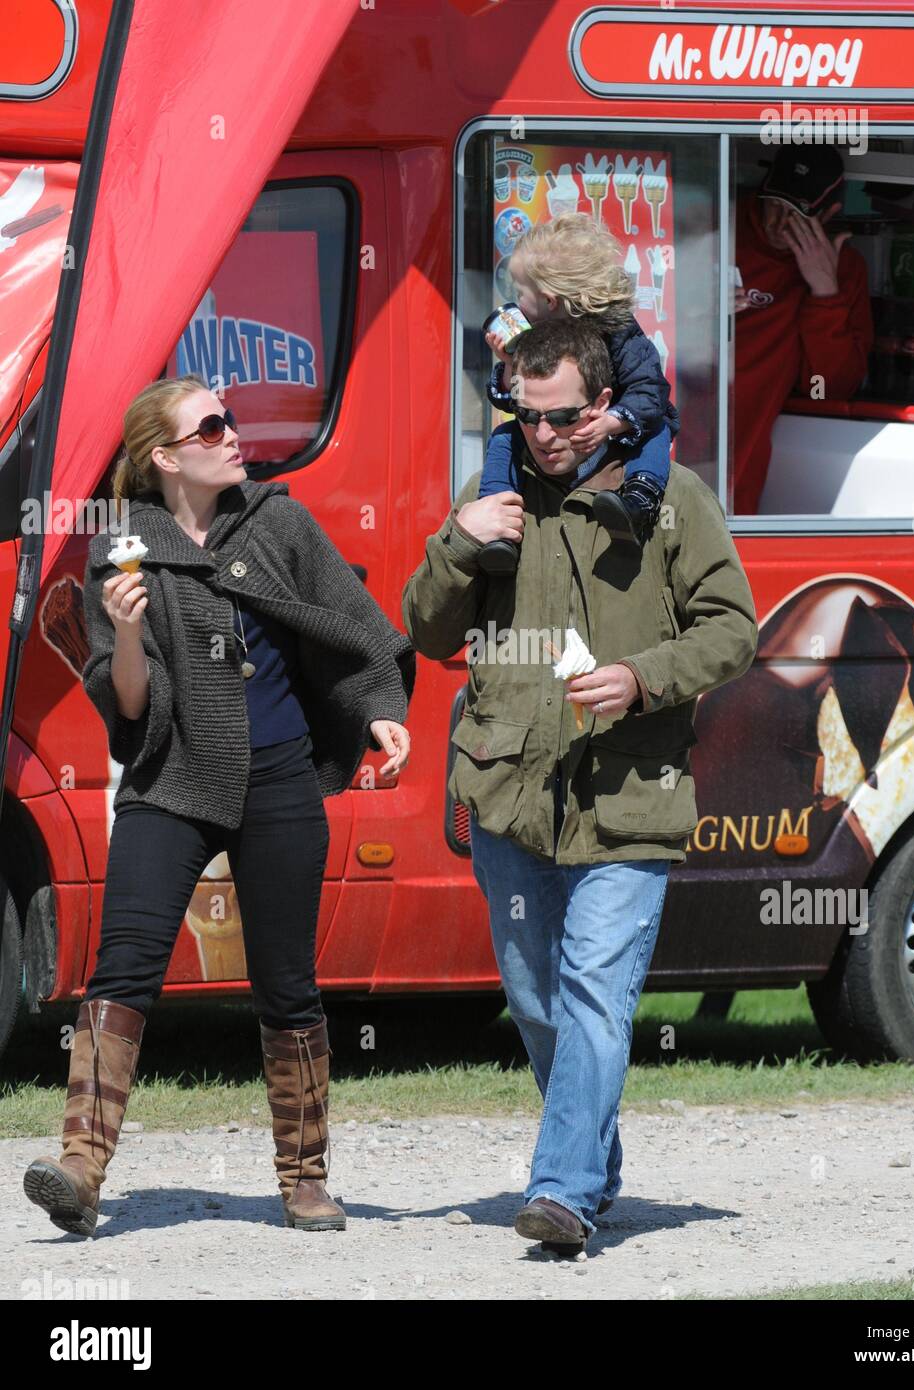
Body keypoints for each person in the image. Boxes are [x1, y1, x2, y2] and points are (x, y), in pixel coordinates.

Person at [23, 374, 414, 1238]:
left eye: (230, 420)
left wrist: (381, 710)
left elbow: (356, 626)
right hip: (174, 778)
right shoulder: (124, 547)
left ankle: (305, 1177)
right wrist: (126, 632)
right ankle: (81, 1168)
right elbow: (128, 707)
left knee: (287, 984)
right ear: (165, 456)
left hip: (277, 779)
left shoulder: (276, 520)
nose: (232, 434)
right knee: (123, 969)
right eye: (211, 426)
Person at [402, 318, 757, 1253]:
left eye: (563, 417)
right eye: (526, 417)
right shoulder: (493, 502)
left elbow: (732, 631)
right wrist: (454, 541)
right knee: (535, 1002)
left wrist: (643, 678)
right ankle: (591, 1159)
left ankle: (560, 1188)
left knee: (596, 992)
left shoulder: (672, 496)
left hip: (629, 799)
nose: (544, 435)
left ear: (604, 406)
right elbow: (429, 635)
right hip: (507, 799)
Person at [479, 212, 678, 572]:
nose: (516, 303)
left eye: (520, 293)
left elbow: (651, 391)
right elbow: (513, 401)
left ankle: (638, 502)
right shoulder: (533, 335)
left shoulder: (619, 332)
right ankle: (495, 518)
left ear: (550, 301)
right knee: (505, 436)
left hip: (617, 429)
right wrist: (509, 363)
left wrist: (612, 422)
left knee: (656, 432)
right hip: (565, 434)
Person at [733, 145, 873, 514]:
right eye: (774, 204)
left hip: (744, 465)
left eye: (797, 214)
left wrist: (825, 293)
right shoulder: (717, 227)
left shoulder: (843, 269)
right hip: (678, 431)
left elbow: (827, 390)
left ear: (829, 214)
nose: (778, 222)